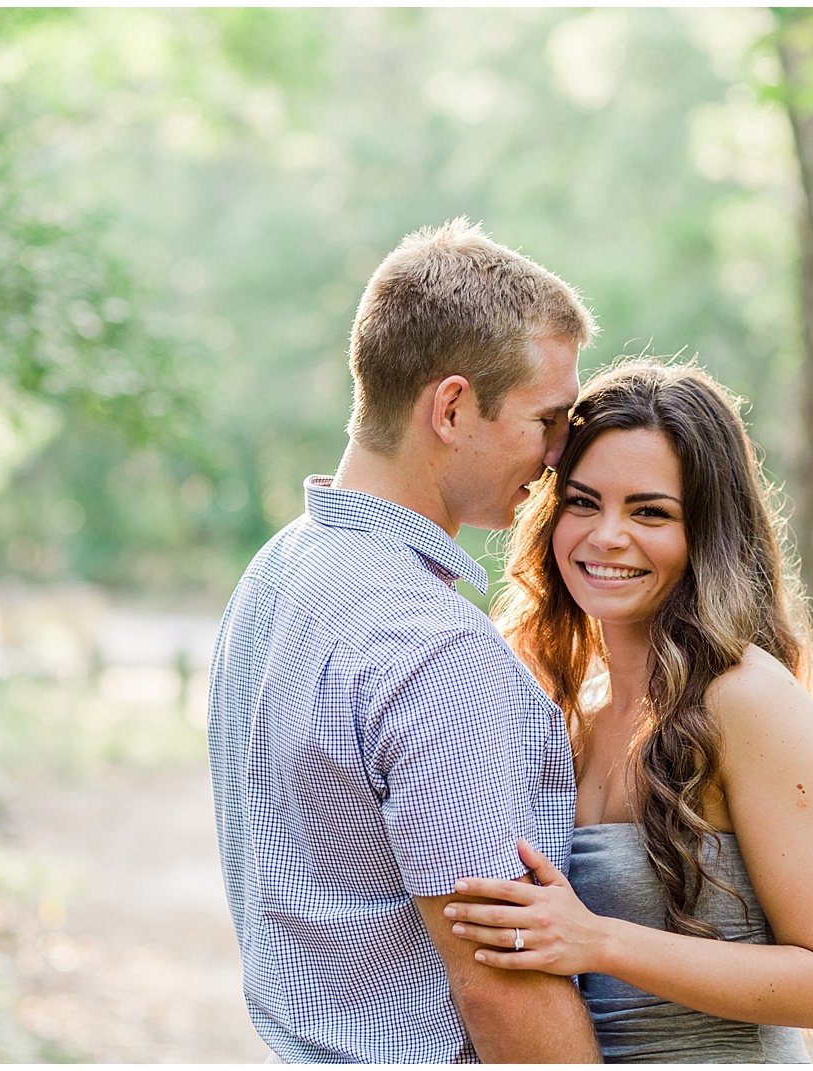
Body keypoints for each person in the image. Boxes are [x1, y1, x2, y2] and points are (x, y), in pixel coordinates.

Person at [207, 218, 605, 1062]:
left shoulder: (279, 570)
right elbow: (498, 978)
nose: (560, 455)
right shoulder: (433, 648)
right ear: (453, 407)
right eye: (546, 419)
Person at [444, 358, 813, 1062]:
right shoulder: (565, 701)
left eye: (650, 511)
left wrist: (598, 939)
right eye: (583, 502)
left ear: (706, 533)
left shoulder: (747, 699)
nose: (607, 535)